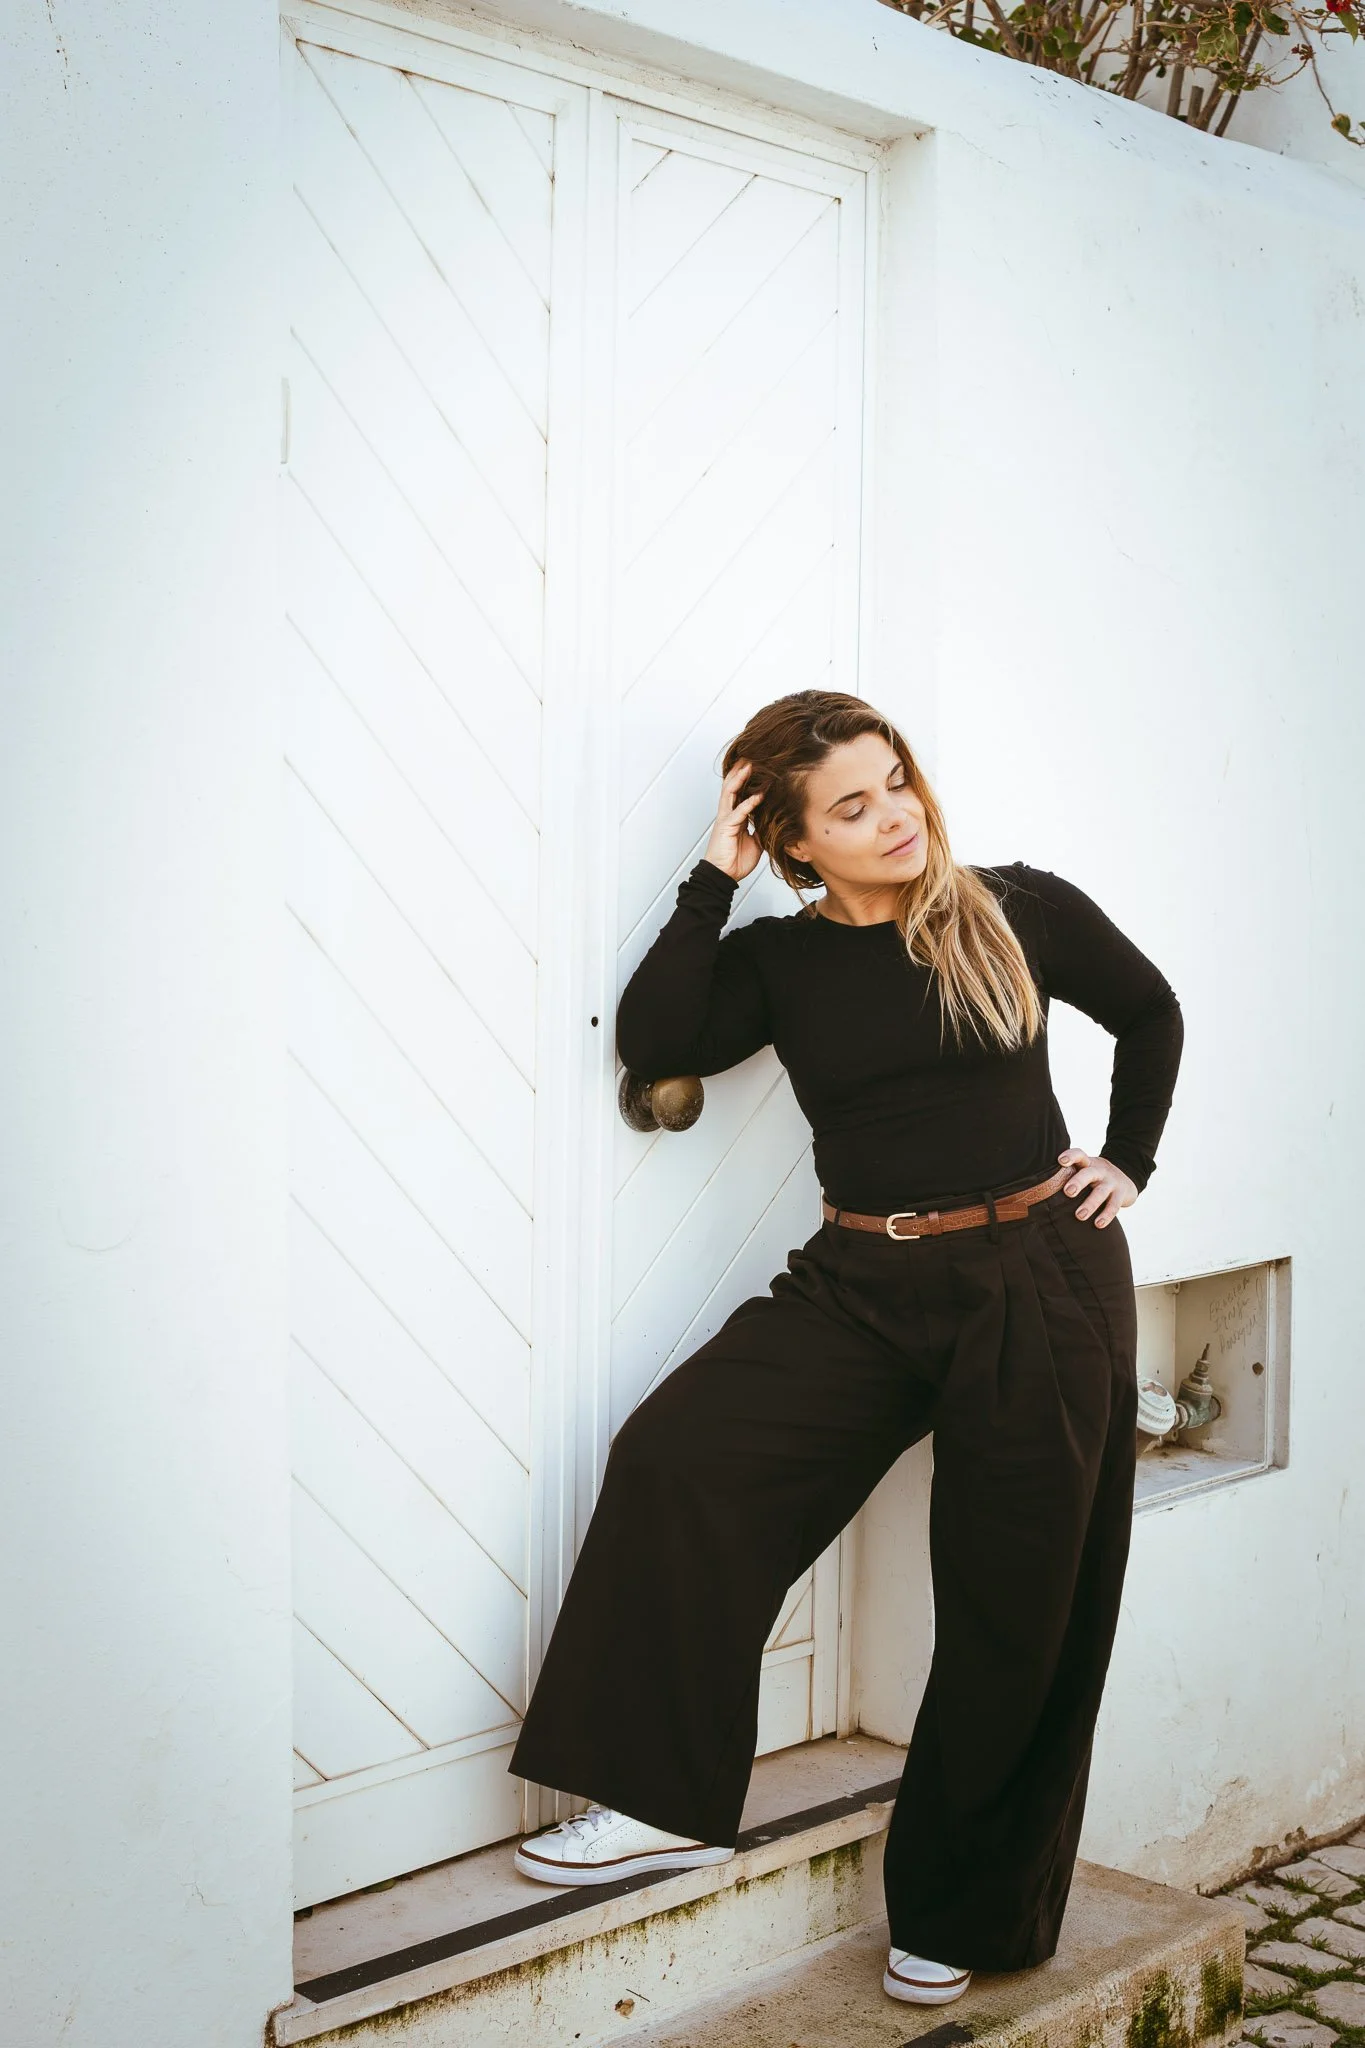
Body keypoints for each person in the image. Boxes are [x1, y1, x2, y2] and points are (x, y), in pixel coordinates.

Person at [505, 690, 1184, 2005]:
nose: (895, 818)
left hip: (1038, 1277)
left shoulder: (1012, 907)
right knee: (680, 1456)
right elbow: (657, 1036)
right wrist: (716, 871)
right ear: (795, 839)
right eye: (853, 806)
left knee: (1018, 1602)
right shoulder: (782, 961)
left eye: (898, 784)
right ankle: (653, 1794)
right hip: (861, 1280)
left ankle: (963, 1909)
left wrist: (1130, 1164)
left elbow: (1149, 1009)